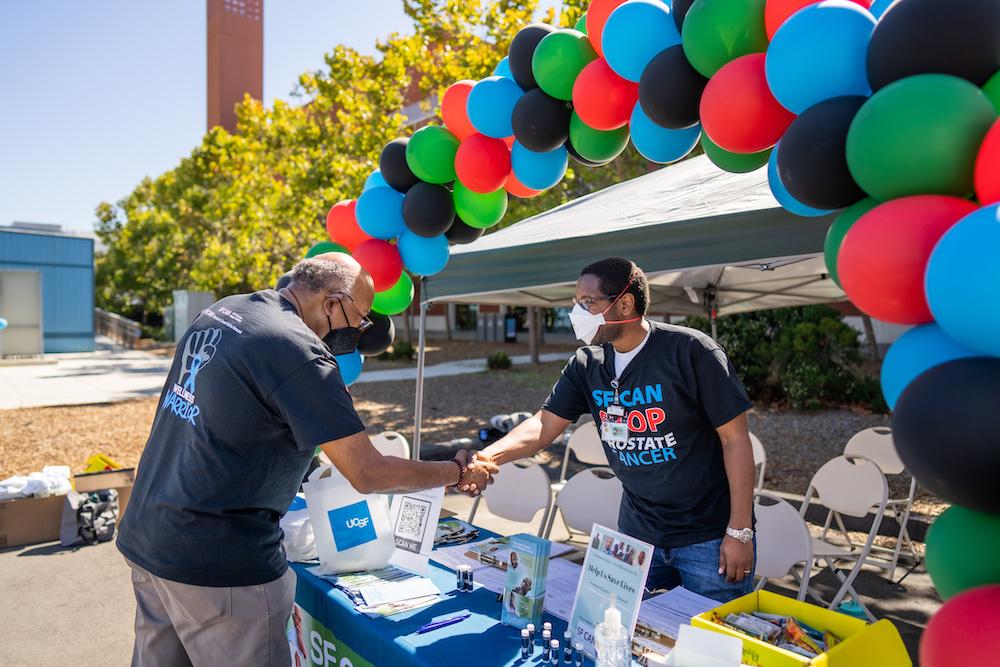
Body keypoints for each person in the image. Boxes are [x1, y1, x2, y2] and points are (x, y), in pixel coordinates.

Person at [116, 253, 498, 667]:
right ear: (333, 302)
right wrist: (456, 472)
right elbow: (367, 472)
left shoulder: (224, 310)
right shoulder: (298, 351)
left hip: (150, 534)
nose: (359, 330)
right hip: (219, 561)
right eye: (361, 316)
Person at [473, 257, 757, 602]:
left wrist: (739, 531)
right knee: (617, 635)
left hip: (707, 537)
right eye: (576, 302)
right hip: (638, 535)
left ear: (625, 302)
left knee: (710, 649)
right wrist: (487, 457)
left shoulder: (691, 351)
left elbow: (736, 440)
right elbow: (543, 425)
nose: (578, 312)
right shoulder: (586, 364)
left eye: (587, 302)